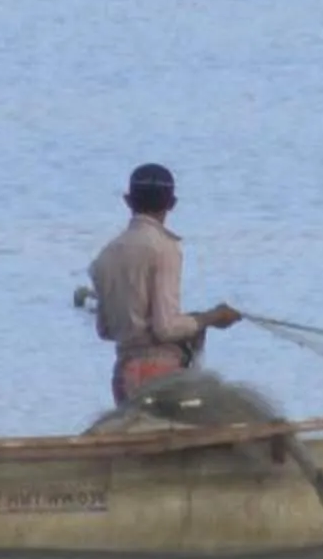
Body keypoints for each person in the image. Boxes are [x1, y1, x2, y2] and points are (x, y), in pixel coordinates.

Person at [88, 162, 241, 409]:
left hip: (124, 376)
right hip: (161, 376)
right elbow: (166, 329)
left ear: (128, 201)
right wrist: (210, 318)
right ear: (172, 204)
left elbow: (105, 331)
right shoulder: (165, 248)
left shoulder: (104, 257)